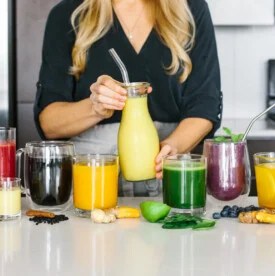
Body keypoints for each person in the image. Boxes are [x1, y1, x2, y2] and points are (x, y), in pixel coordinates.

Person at [34, 0, 222, 196]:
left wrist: (173, 147)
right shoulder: (67, 14)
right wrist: (94, 107)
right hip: (93, 182)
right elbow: (49, 123)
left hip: (168, 181)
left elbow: (205, 104)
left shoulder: (190, 9)